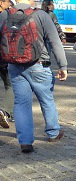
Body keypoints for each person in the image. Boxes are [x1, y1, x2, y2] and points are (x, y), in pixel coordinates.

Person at [0, 0, 67, 152]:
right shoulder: (41, 15)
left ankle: (24, 141)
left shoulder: (4, 15)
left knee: (21, 103)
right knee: (46, 100)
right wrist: (63, 66)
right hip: (39, 64)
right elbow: (55, 41)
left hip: (15, 66)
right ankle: (53, 133)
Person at [0, 0, 14, 128]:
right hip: (4, 56)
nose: (9, 5)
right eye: (8, 3)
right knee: (12, 86)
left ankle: (11, 111)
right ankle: (5, 111)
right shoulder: (5, 15)